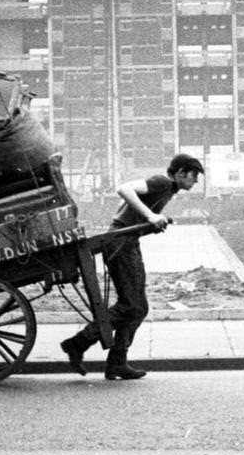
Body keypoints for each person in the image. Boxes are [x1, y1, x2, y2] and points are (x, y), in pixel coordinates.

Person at [60, 153, 203, 381]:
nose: (195, 181)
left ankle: (116, 362)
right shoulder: (162, 182)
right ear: (180, 173)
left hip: (126, 243)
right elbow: (124, 189)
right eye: (194, 176)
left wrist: (152, 222)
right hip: (121, 245)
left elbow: (129, 215)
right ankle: (79, 343)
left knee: (138, 307)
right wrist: (150, 215)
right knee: (131, 306)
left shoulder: (167, 189)